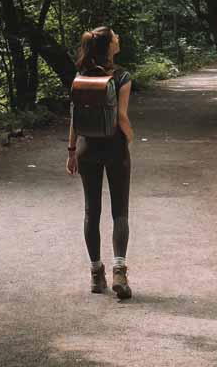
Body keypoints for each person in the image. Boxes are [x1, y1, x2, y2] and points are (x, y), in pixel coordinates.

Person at [66, 25, 134, 300]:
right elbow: (122, 118)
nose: (119, 38)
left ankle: (96, 274)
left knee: (91, 211)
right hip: (114, 147)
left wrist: (71, 151)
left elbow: (74, 118)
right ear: (109, 45)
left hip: (86, 148)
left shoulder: (80, 76)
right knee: (120, 210)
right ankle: (119, 270)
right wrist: (130, 138)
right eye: (116, 36)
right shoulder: (122, 76)